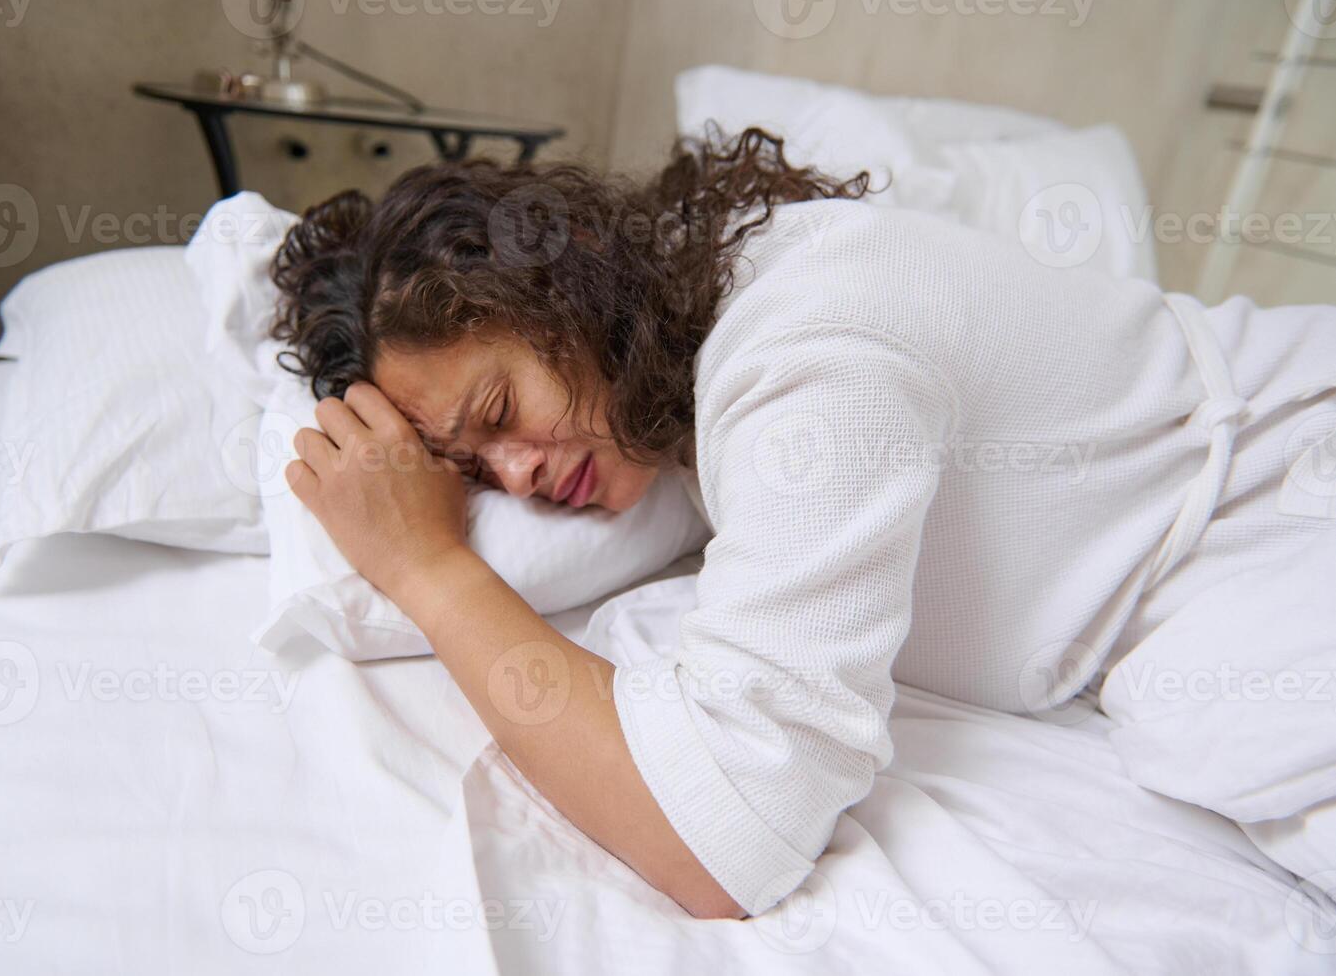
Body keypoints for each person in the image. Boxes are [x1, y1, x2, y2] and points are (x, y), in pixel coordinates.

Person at [271, 129, 1336, 918]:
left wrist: (427, 564)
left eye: (500, 415)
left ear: (566, 277)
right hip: (1201, 565)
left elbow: (728, 835)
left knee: (1236, 729)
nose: (518, 475)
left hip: (1280, 498)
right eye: (474, 471)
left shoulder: (809, 338)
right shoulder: (681, 382)